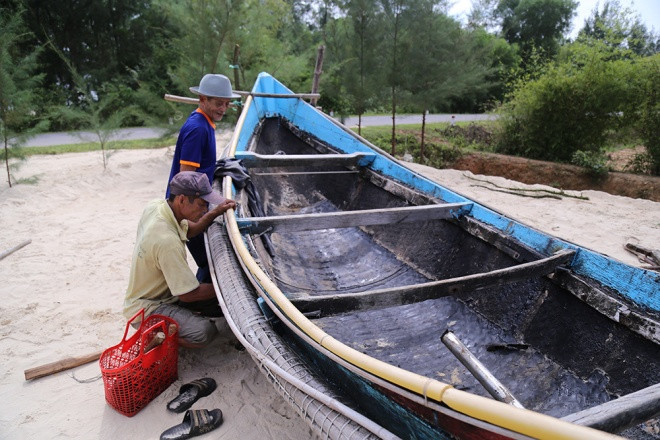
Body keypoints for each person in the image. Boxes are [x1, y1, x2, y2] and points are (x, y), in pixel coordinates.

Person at [124, 171, 236, 348]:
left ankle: (174, 321)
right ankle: (155, 338)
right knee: (204, 332)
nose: (204, 209)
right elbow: (187, 294)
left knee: (218, 304)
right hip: (148, 308)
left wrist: (216, 212)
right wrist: (230, 284)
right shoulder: (167, 241)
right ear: (182, 200)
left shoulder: (157, 207)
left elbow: (191, 229)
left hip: (161, 294)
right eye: (201, 204)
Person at [167, 73, 240, 283]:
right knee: (207, 262)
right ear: (203, 99)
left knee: (206, 261)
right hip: (188, 207)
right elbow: (186, 181)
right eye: (218, 103)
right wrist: (203, 210)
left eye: (227, 104)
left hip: (196, 202)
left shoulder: (203, 122)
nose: (223, 109)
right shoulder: (198, 129)